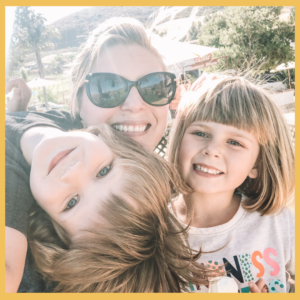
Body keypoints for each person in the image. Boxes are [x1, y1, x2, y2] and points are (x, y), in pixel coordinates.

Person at [5, 17, 178, 292]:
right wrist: (18, 114)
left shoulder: (27, 200)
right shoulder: (62, 133)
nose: (135, 105)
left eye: (154, 86)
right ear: (77, 103)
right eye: (108, 88)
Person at [6, 110, 214, 292]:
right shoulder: (69, 120)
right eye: (103, 171)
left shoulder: (11, 189)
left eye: (72, 203)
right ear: (122, 148)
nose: (72, 172)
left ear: (47, 221)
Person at [167, 76, 295, 293]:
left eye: (234, 142)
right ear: (179, 140)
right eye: (200, 133)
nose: (212, 149)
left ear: (257, 164)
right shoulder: (151, 229)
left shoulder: (279, 222)